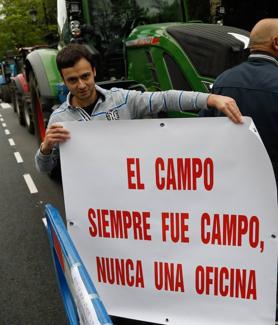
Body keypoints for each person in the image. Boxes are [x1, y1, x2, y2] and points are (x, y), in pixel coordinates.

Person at [35, 43, 243, 174]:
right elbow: (46, 169)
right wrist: (45, 148)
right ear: (63, 81)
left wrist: (211, 99)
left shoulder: (122, 99)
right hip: (93, 207)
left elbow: (164, 99)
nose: (81, 85)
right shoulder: (59, 119)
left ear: (94, 71)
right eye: (72, 80)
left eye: (85, 76)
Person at [199, 18, 278, 192]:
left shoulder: (222, 80)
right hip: (271, 191)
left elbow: (202, 133)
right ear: (276, 43)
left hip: (232, 190)